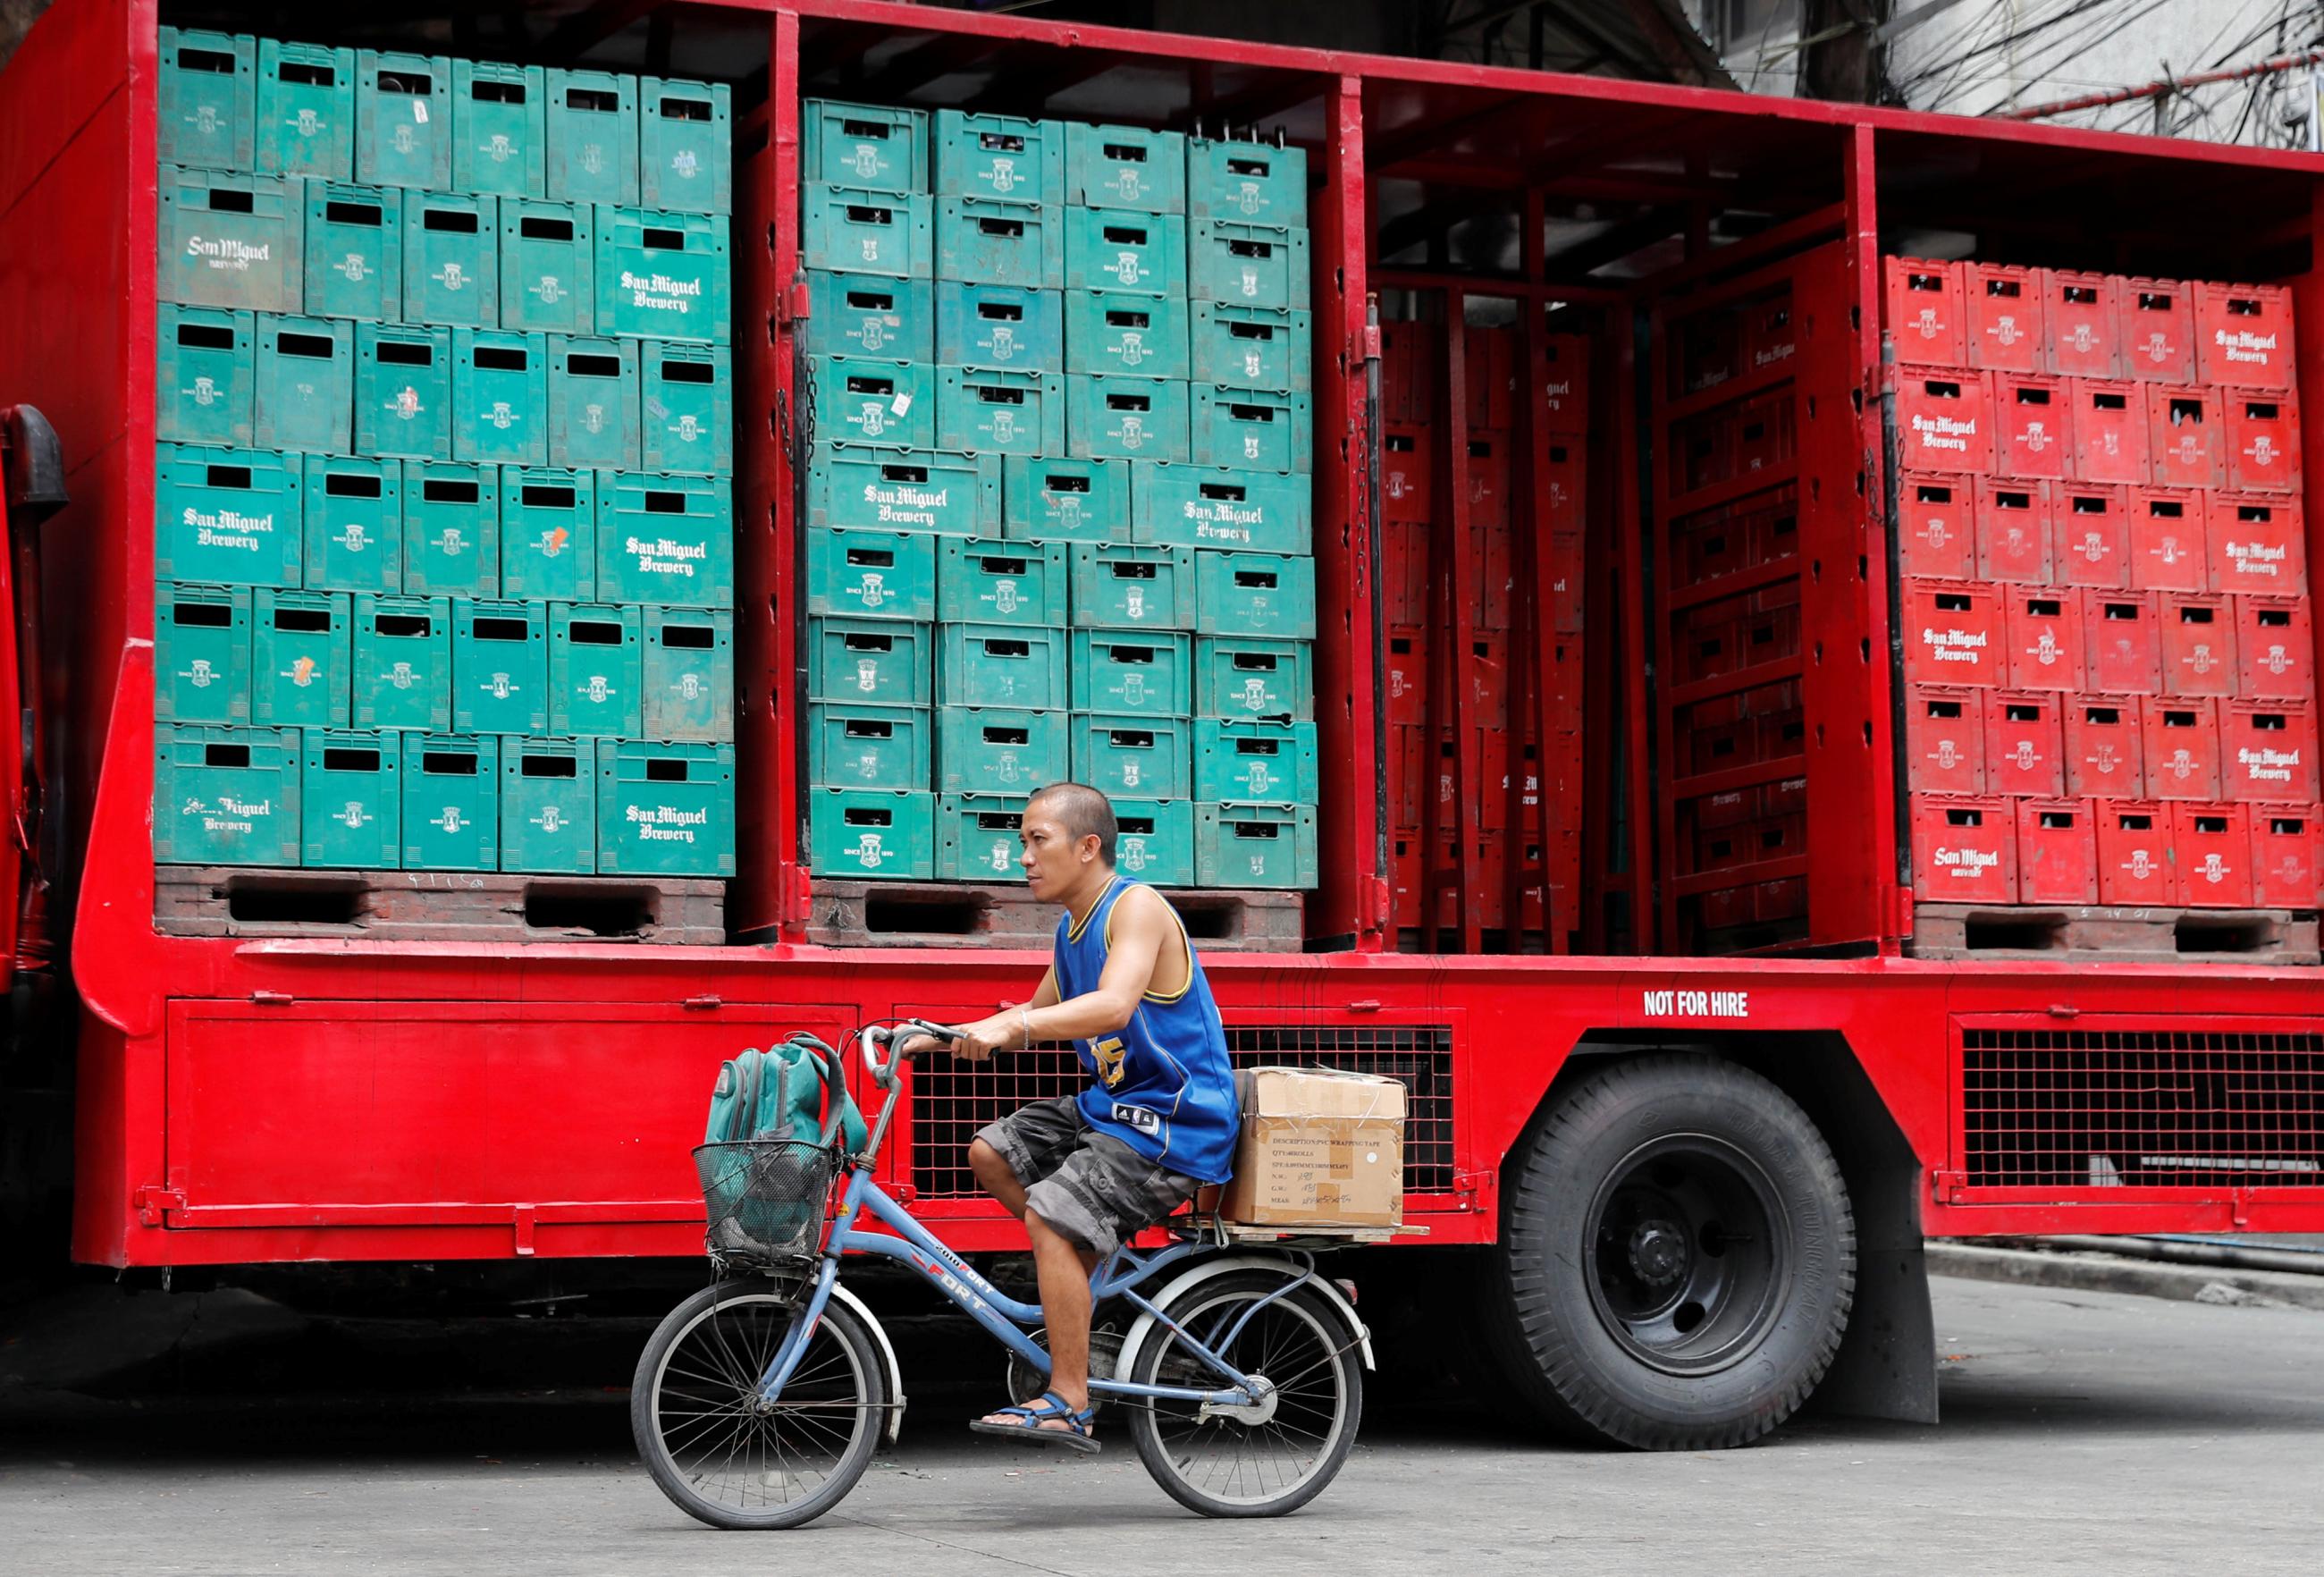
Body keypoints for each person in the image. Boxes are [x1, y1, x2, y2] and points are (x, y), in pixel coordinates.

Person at [905, 781, 1238, 1454]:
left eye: (1036, 841)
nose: (1021, 857)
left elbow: (1111, 1007)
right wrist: (941, 1036)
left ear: (1088, 847)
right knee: (991, 1153)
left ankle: (1070, 1398)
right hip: (1116, 1111)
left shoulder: (1135, 908)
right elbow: (1031, 1012)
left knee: (1050, 1215)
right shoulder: (1071, 928)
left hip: (1174, 1120)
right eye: (1020, 842)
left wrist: (1012, 1029)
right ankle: (1082, 1276)